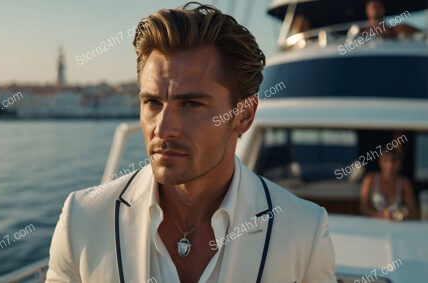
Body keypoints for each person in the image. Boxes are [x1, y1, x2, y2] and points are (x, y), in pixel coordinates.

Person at [46, 3, 336, 282]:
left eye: (190, 104)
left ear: (244, 116)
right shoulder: (82, 220)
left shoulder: (304, 231)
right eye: (152, 102)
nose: (163, 128)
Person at [360, 148, 419, 221]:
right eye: (386, 160)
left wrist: (400, 216)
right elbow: (363, 208)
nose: (390, 165)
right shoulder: (370, 179)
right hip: (373, 225)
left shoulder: (404, 183)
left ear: (400, 163)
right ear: (380, 162)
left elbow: (414, 212)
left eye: (394, 161)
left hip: (396, 226)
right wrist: (381, 216)